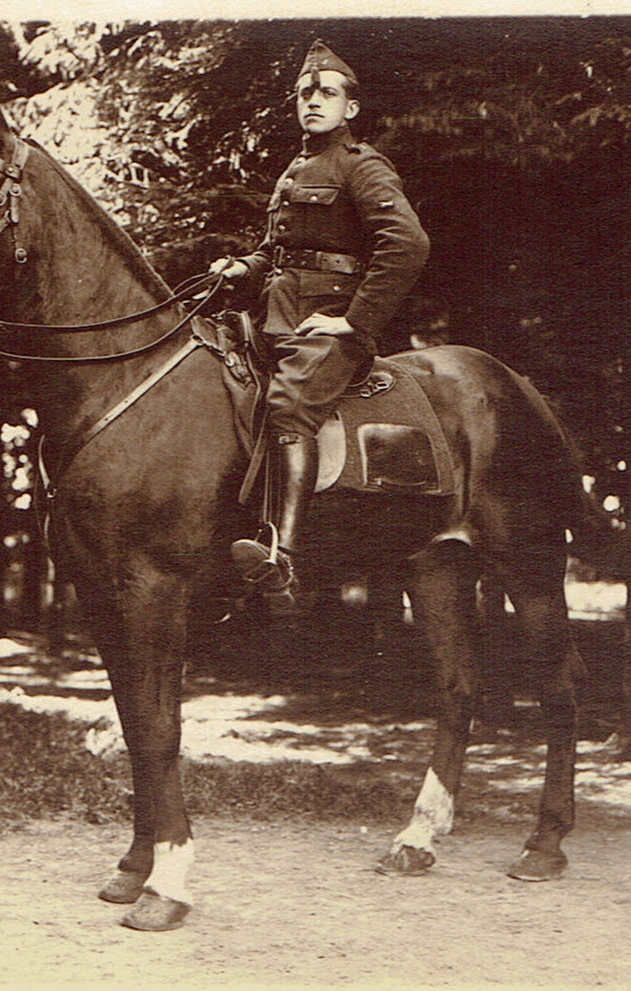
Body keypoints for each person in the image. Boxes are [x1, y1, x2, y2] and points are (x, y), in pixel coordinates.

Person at [212, 40, 430, 611]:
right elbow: (277, 253)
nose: (313, 101)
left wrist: (354, 322)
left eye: (327, 93)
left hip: (324, 327)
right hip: (274, 318)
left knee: (289, 405)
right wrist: (243, 267)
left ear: (350, 108)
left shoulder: (363, 165)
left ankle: (282, 557)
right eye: (305, 93)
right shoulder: (296, 169)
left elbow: (407, 244)